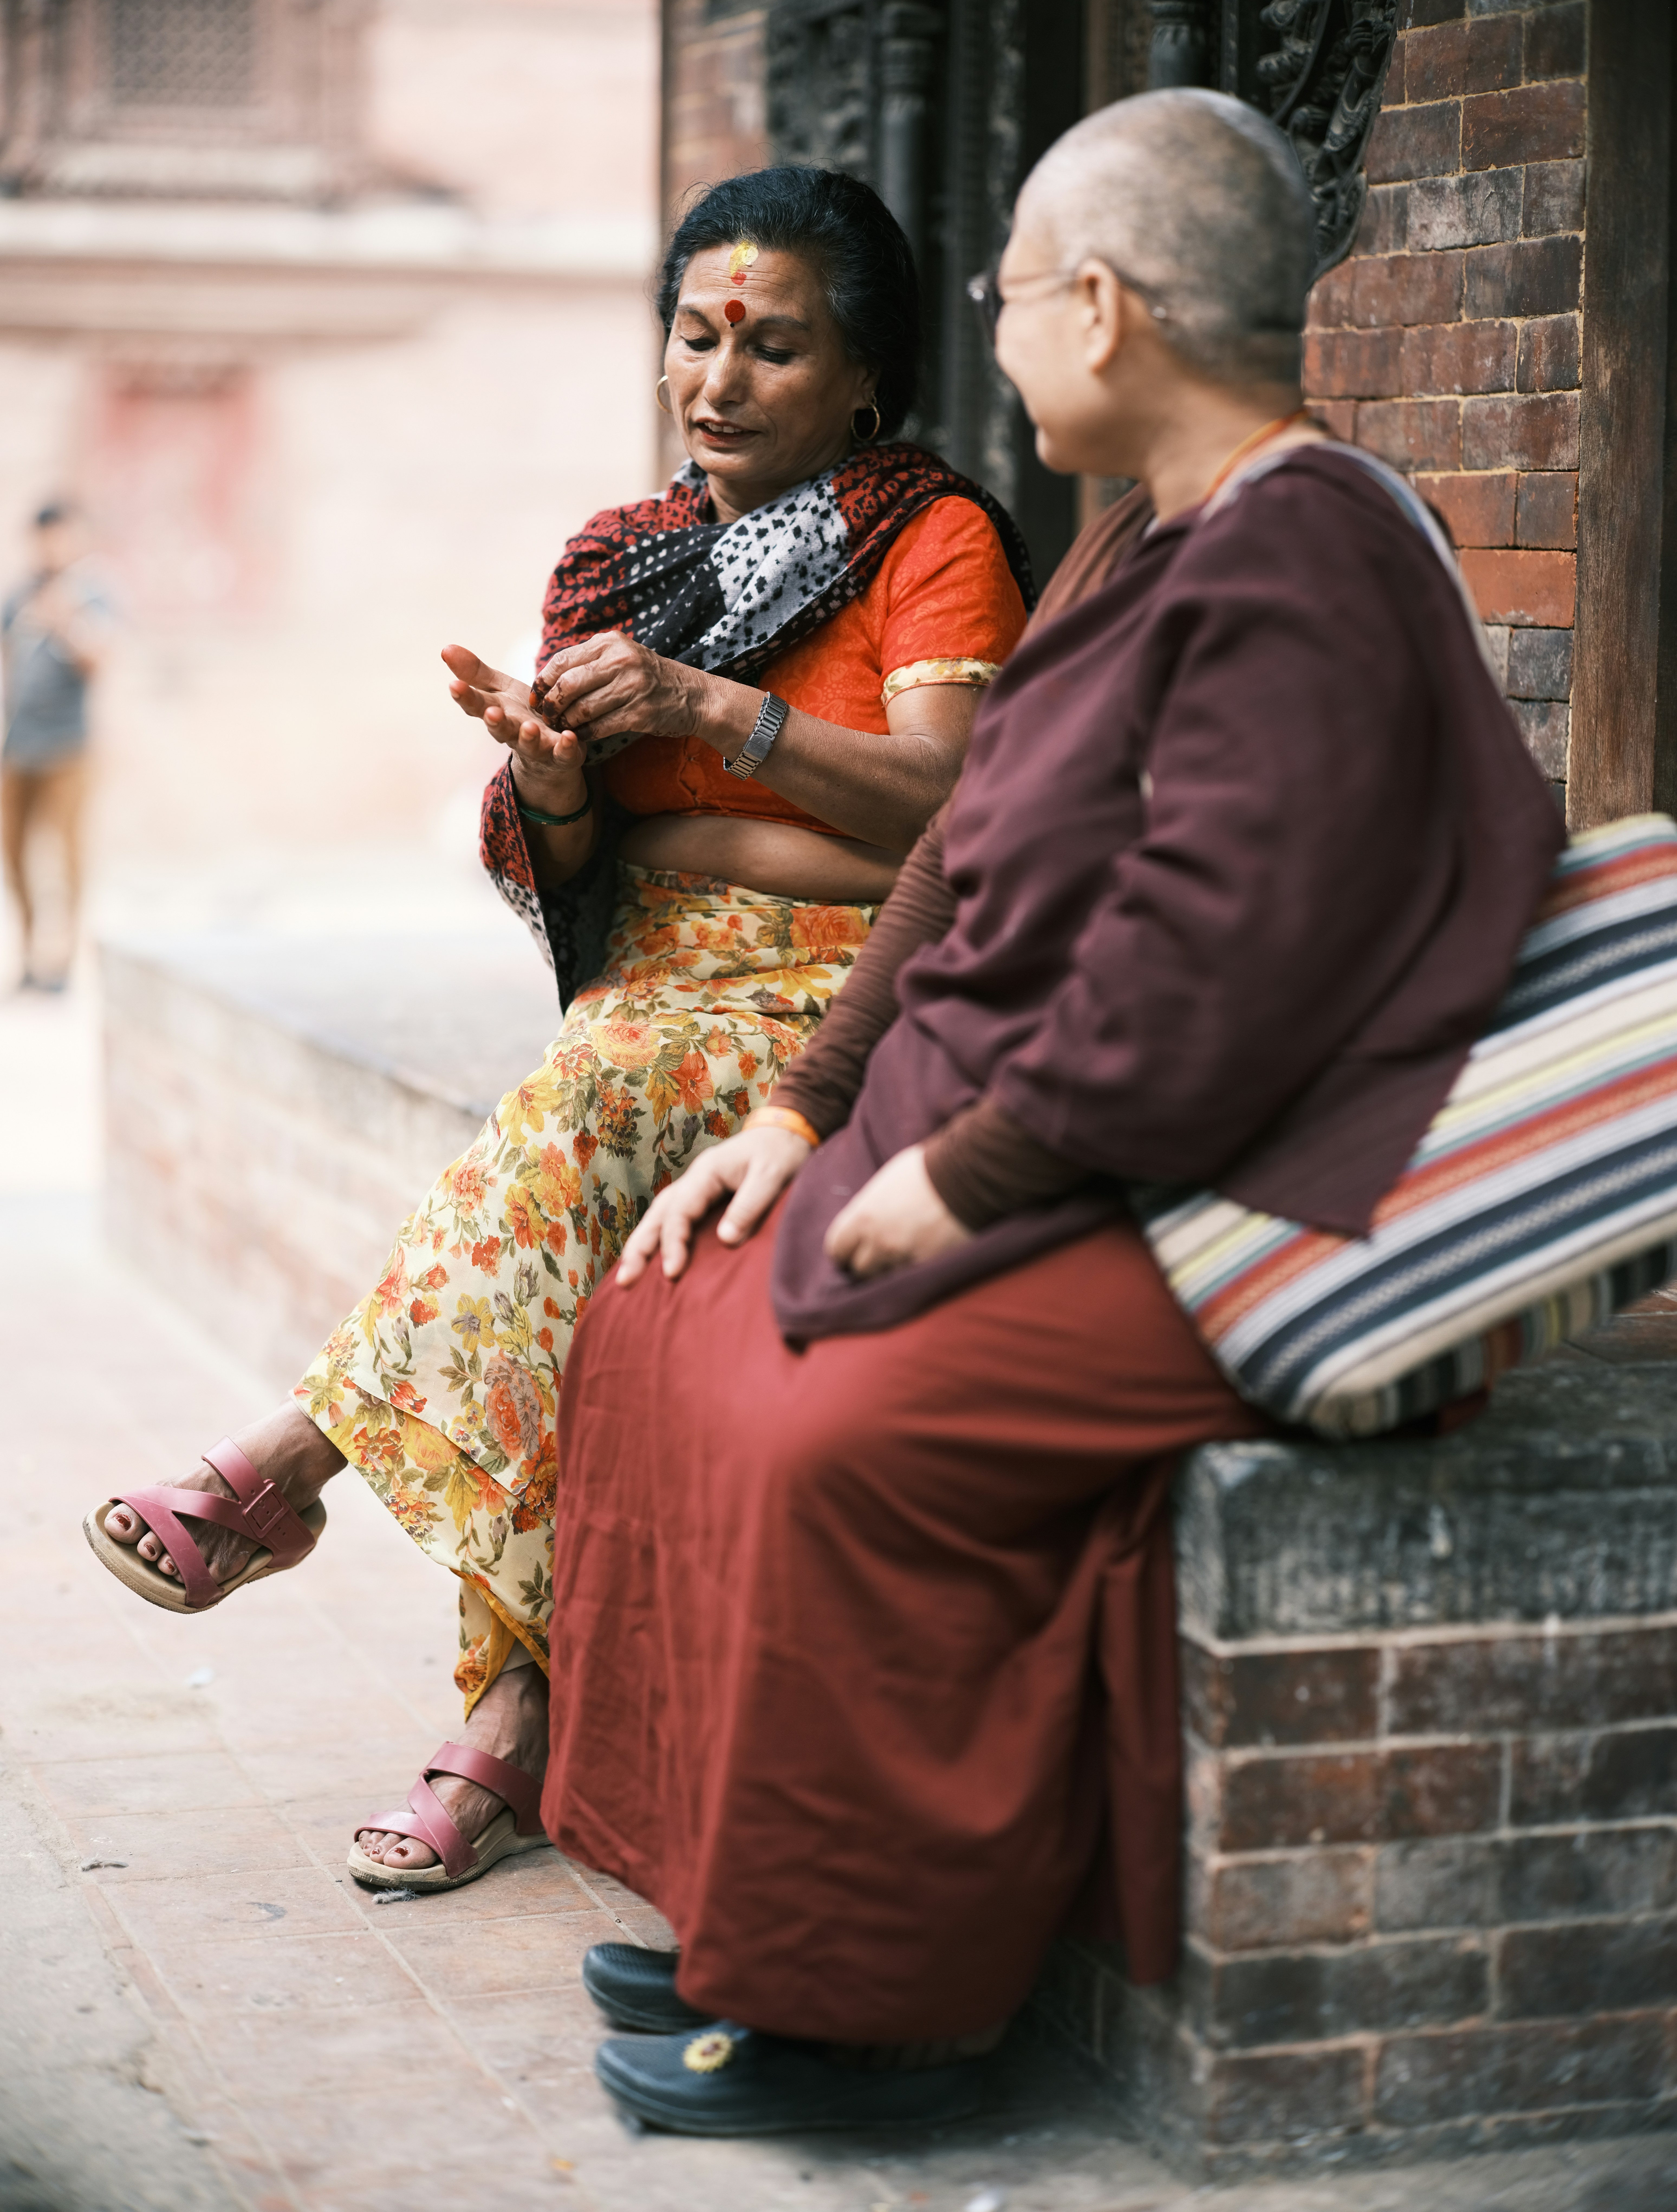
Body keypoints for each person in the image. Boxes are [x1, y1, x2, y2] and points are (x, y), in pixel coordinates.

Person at [531, 88, 1562, 2133]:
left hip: (1246, 1187)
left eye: (1004, 297)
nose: (989, 338)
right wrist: (804, 1111)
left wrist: (958, 1175)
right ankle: (749, 1901)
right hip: (1057, 1122)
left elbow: (1223, 968)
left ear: (1095, 309)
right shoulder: (1142, 531)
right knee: (664, 1312)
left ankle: (866, 2007)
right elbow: (969, 841)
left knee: (834, 1419)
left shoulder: (1311, 551)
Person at [83, 168, 1032, 1886]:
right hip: (655, 988)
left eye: (774, 347)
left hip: (850, 993)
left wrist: (706, 729)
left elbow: (952, 818)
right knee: (565, 1210)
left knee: (575, 1110)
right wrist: (560, 784)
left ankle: (303, 1461)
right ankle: (506, 1721)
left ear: (867, 378)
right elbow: (593, 879)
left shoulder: (934, 539)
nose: (719, 381)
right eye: (697, 334)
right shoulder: (626, 559)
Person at [2, 502, 113, 991]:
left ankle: (62, 960)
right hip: (18, 745)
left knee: (67, 856)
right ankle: (29, 952)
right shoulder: (19, 597)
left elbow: (99, 661)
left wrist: (65, 620)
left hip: (69, 746)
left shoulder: (89, 597)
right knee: (16, 853)